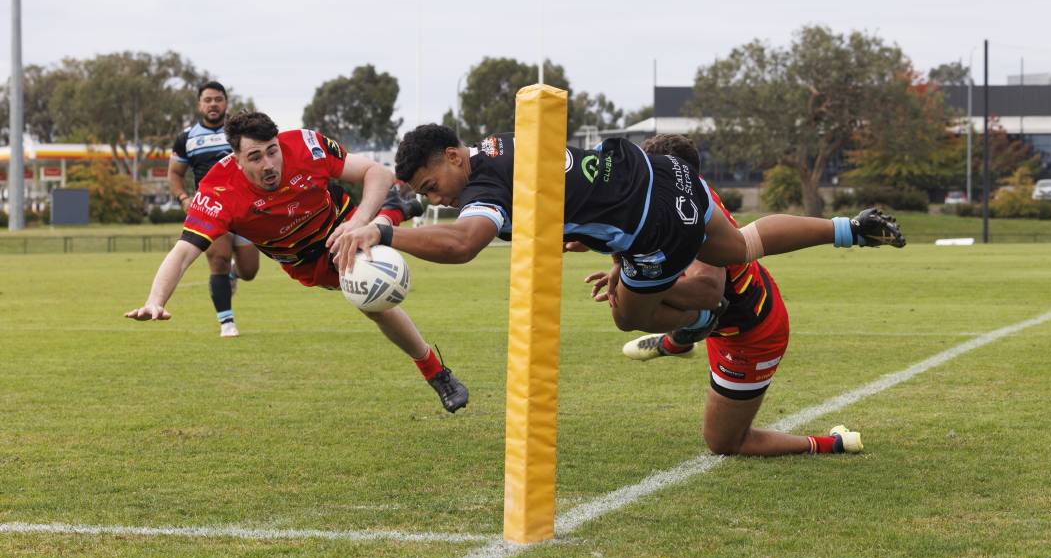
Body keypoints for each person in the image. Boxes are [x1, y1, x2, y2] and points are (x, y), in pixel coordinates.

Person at [329, 125, 904, 340]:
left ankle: (702, 320)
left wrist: (384, 235)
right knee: (743, 245)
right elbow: (568, 201)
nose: (437, 199)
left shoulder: (482, 190)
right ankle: (850, 228)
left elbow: (462, 244)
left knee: (628, 315)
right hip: (664, 173)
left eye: (433, 185)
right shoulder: (495, 145)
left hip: (651, 226)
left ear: (454, 157)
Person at [126, 111, 468, 413]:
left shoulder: (305, 146)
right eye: (256, 157)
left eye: (272, 151)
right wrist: (155, 301)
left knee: (372, 302)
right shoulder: (218, 190)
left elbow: (376, 172)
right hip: (303, 260)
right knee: (370, 285)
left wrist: (359, 220)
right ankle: (396, 210)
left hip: (339, 224)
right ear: (237, 159)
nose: (269, 164)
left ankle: (437, 374)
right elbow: (184, 251)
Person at [590, 134, 862, 457]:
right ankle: (683, 336)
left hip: (749, 330)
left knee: (725, 442)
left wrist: (637, 280)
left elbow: (707, 288)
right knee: (647, 292)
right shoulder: (667, 192)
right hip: (732, 301)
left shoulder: (685, 210)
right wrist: (621, 264)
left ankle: (833, 443)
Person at [168, 81, 261, 338]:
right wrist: (184, 198)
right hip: (212, 209)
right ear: (199, 104)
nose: (213, 104)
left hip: (245, 209)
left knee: (249, 271)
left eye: (218, 99)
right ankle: (227, 323)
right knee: (217, 259)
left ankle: (234, 274)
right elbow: (175, 174)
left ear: (226, 103)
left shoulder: (242, 133)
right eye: (207, 100)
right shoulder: (186, 139)